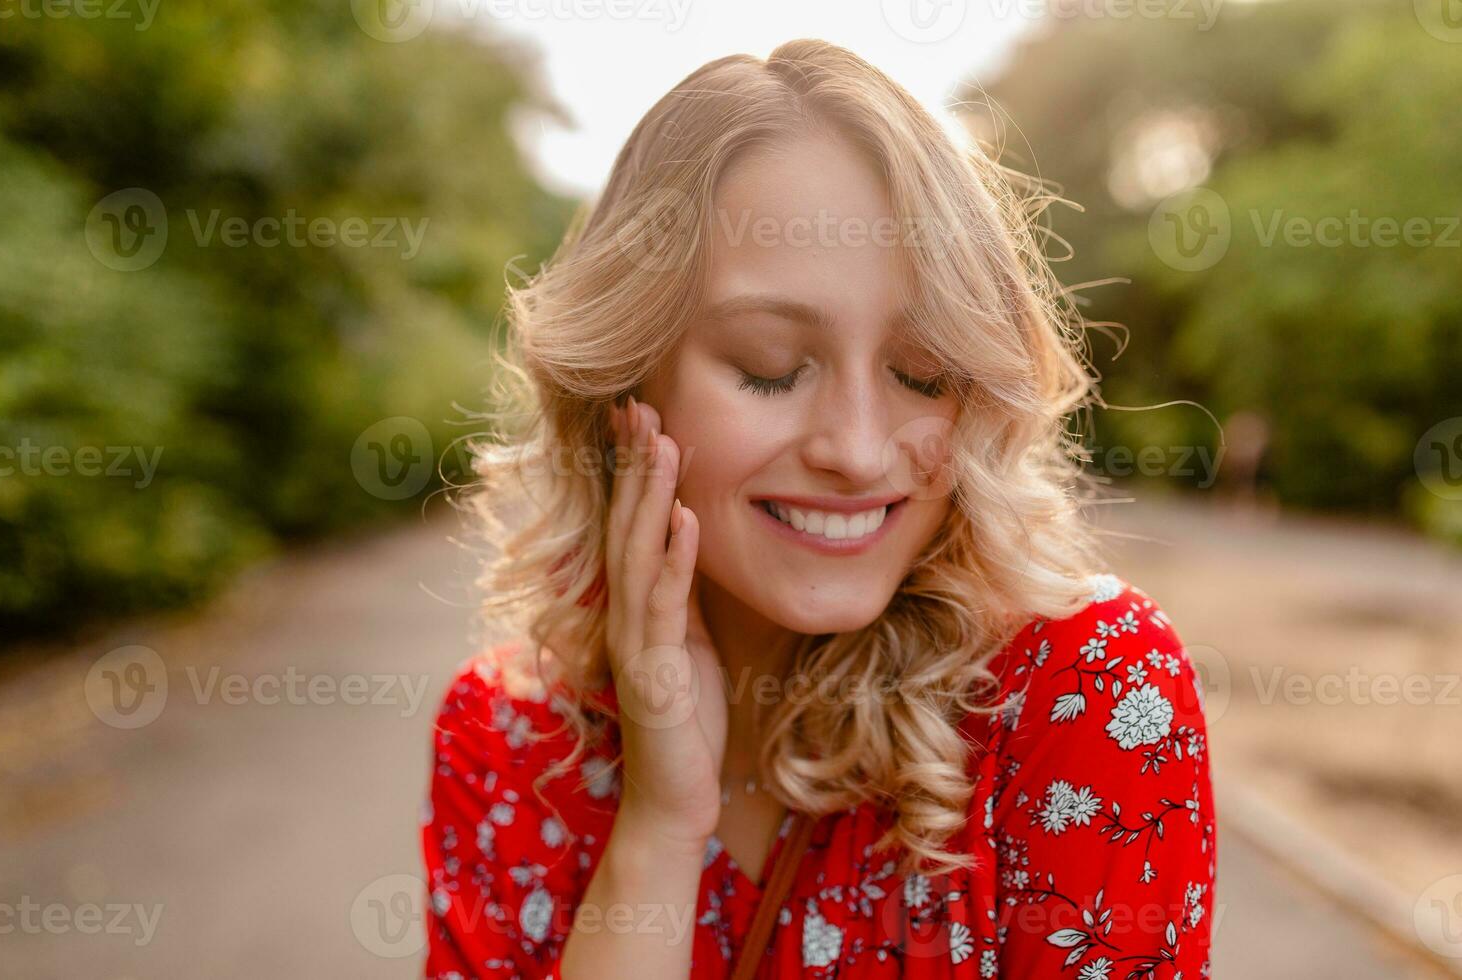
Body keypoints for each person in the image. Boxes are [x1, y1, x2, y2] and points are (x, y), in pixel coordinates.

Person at [422, 38, 1215, 979]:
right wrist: (658, 832)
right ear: (621, 389)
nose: (858, 448)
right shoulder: (507, 738)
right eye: (771, 368)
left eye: (923, 372)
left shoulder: (1084, 691)